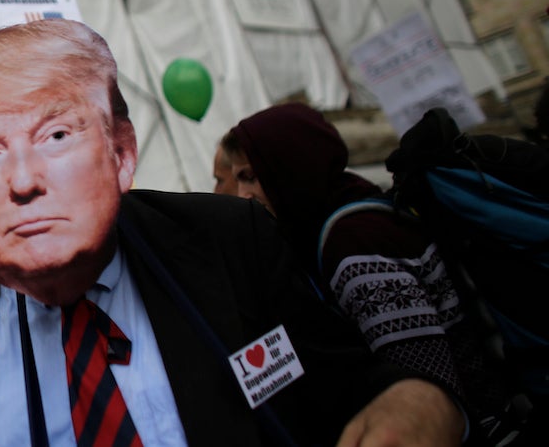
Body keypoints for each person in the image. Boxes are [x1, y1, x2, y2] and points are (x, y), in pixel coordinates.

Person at [0, 19, 464, 447]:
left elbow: (352, 383)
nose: (25, 180)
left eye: (56, 134)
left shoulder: (230, 245)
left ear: (122, 153)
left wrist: (418, 402)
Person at [221, 103, 526, 444]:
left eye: (250, 176)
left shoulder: (355, 246)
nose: (243, 194)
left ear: (289, 166)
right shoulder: (354, 208)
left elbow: (425, 386)